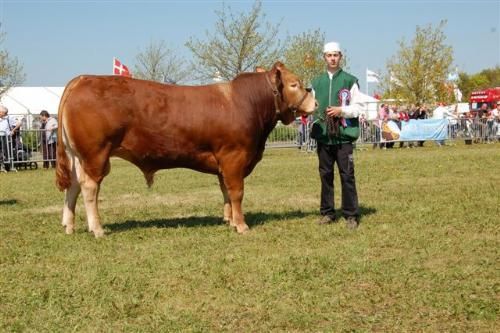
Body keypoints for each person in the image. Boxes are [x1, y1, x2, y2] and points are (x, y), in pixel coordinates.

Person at [310, 41, 364, 229]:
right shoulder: (316, 82)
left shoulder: (350, 80)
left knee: (347, 174)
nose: (332, 58)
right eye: (329, 55)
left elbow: (358, 108)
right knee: (325, 175)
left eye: (336, 55)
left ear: (340, 57)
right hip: (324, 137)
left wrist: (341, 110)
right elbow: (311, 107)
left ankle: (351, 214)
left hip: (343, 136)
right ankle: (327, 212)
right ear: (324, 57)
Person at [0, 105, 22, 171]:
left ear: (4, 112)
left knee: (7, 152)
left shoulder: (10, 117)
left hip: (6, 137)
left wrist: (13, 130)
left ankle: (8, 166)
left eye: (0, 112)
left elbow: (19, 123)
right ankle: (1, 166)